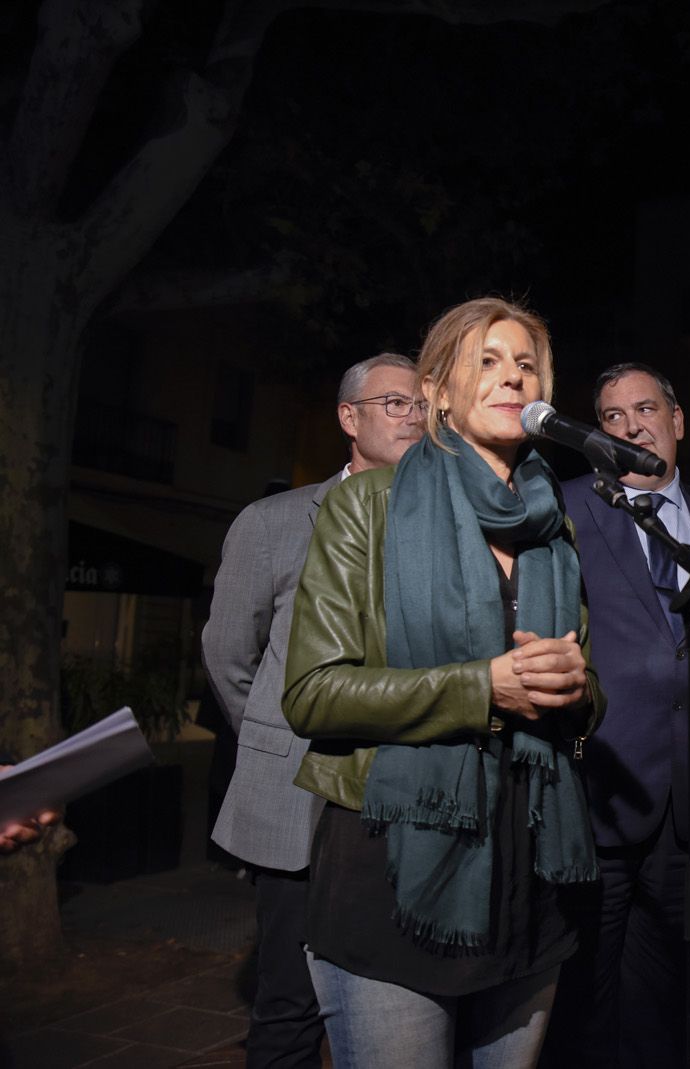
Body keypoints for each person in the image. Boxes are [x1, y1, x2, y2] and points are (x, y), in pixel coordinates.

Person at [280, 297, 603, 1068]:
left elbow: (587, 698)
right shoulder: (368, 507)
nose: (512, 376)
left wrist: (578, 687)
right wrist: (480, 687)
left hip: (527, 876)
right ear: (437, 393)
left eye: (526, 364)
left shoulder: (552, 524)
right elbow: (312, 692)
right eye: (486, 360)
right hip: (392, 870)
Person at [203, 352, 424, 1068]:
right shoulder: (273, 521)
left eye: (423, 403)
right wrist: (276, 736)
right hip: (299, 797)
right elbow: (230, 655)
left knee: (400, 1004)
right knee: (290, 1006)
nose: (413, 416)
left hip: (404, 800)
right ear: (347, 416)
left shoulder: (443, 522)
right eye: (395, 402)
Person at [546, 363, 690, 1067]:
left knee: (676, 994)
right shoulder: (566, 508)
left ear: (678, 418)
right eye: (611, 416)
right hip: (602, 787)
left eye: (645, 408)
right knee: (585, 999)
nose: (631, 426)